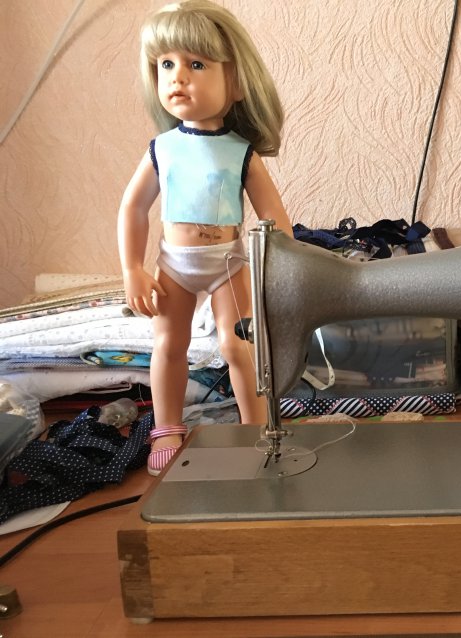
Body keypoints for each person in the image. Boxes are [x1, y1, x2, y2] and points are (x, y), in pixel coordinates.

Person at [117, 0, 293, 476]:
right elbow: (133, 208)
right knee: (168, 345)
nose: (177, 77)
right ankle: (167, 428)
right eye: (166, 65)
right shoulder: (162, 149)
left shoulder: (241, 153)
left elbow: (274, 217)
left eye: (196, 64)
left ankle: (256, 428)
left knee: (240, 346)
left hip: (228, 263)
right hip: (174, 264)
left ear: (235, 82)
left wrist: (281, 267)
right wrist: (132, 268)